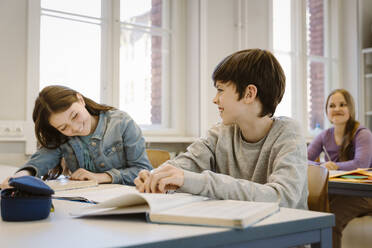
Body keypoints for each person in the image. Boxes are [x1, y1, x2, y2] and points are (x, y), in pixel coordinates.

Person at [134, 49, 308, 209]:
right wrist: (155, 176)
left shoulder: (289, 133)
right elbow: (184, 165)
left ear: (249, 94)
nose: (215, 99)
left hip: (284, 234)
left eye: (220, 90)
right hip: (239, 229)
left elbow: (282, 197)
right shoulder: (221, 132)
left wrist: (200, 182)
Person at [1, 85, 152, 187]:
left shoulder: (121, 123)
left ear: (80, 99)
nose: (75, 128)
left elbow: (143, 170)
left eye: (74, 116)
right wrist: (21, 176)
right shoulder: (61, 137)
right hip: (85, 205)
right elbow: (39, 162)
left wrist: (102, 177)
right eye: (63, 127)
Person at [308, 88, 372, 248]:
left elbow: (361, 165)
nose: (336, 109)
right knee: (314, 213)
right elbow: (304, 160)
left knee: (330, 219)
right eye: (332, 106)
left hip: (364, 194)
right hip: (339, 191)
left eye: (342, 104)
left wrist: (335, 165)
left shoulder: (363, 134)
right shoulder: (324, 135)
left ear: (350, 109)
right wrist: (322, 166)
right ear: (326, 112)